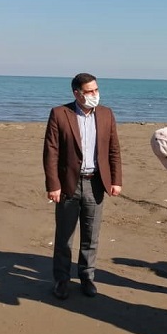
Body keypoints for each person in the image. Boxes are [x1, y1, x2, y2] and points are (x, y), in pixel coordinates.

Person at [43, 73, 122, 300]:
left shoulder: (106, 114)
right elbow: (51, 151)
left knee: (91, 234)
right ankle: (61, 279)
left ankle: (87, 277)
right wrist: (53, 185)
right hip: (69, 184)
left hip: (96, 183)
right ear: (77, 93)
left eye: (96, 90)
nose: (94, 94)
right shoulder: (60, 113)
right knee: (64, 236)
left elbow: (114, 149)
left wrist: (116, 180)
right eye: (89, 91)